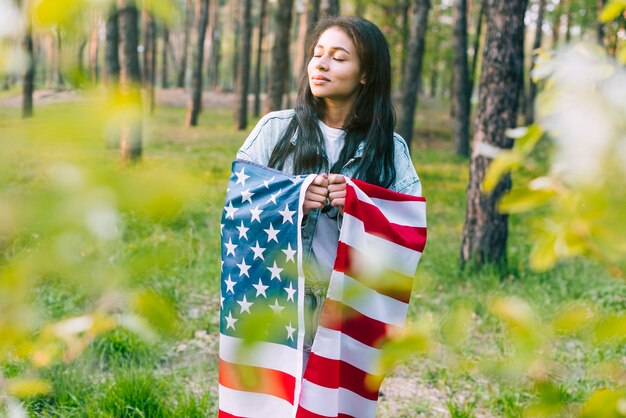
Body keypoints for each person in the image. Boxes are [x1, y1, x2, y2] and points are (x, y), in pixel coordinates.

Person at [236, 16, 422, 368]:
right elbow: (237, 206)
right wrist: (291, 200)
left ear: (365, 74)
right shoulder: (275, 130)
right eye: (318, 53)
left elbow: (409, 234)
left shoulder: (390, 150)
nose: (320, 64)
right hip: (277, 298)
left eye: (338, 57)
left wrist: (361, 207)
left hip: (346, 308)